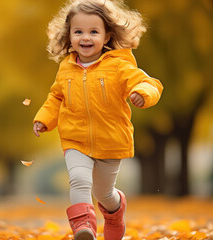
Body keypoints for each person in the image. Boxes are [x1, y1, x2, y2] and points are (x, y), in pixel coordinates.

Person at [33, 0, 163, 239]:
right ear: (69, 35)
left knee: (104, 193)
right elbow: (56, 97)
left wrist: (143, 93)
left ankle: (115, 210)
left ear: (106, 36)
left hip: (110, 141)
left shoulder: (118, 65)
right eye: (78, 31)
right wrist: (44, 119)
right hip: (75, 139)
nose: (86, 37)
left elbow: (149, 83)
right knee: (79, 180)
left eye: (94, 31)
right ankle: (84, 227)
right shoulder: (66, 68)